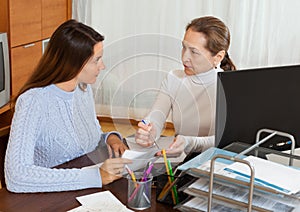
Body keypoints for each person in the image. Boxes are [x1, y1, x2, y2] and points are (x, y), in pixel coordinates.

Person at [4, 19, 131, 193]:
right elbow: (16, 176)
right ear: (74, 63)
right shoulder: (33, 102)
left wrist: (110, 138)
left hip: (84, 190)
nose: (103, 66)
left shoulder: (82, 89)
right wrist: (95, 176)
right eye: (97, 60)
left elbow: (88, 140)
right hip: (48, 197)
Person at [135, 16, 236, 156]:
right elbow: (156, 115)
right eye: (184, 47)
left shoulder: (230, 87)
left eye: (194, 52)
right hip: (181, 159)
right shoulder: (174, 78)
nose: (184, 58)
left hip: (215, 162)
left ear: (218, 57)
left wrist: (190, 142)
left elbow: (228, 140)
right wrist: (150, 131)